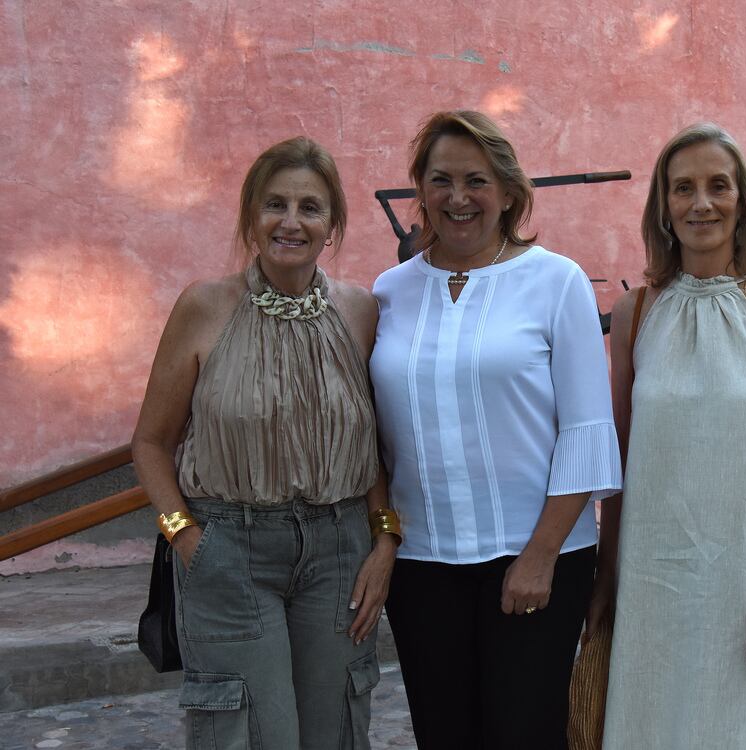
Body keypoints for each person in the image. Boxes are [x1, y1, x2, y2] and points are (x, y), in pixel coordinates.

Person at [131, 136, 398, 750]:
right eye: (275, 204)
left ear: (332, 224)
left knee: (337, 729)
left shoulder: (360, 311)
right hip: (231, 546)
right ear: (251, 216)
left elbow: (367, 445)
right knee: (252, 733)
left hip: (340, 554)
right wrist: (188, 539)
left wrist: (383, 540)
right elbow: (150, 442)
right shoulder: (204, 306)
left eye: (311, 207)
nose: (292, 221)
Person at [369, 110, 621, 750]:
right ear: (420, 190)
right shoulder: (390, 291)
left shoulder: (556, 281)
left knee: (524, 734)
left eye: (476, 180)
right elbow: (375, 435)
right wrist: (386, 540)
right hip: (422, 567)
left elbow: (587, 432)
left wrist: (539, 554)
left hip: (537, 561)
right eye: (441, 180)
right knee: (443, 734)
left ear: (509, 192)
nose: (458, 198)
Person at [590, 123, 746, 748]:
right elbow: (619, 455)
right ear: (664, 208)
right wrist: (606, 578)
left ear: (741, 201)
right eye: (683, 189)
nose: (701, 203)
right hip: (654, 577)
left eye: (718, 186)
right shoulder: (634, 312)